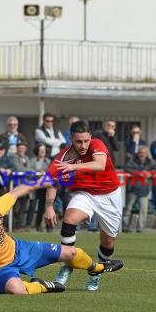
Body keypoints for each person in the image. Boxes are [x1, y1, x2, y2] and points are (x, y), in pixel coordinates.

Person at [43, 120, 124, 291]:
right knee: (69, 218)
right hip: (85, 194)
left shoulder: (97, 144)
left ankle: (96, 273)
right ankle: (67, 265)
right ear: (71, 138)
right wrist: (49, 206)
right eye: (79, 141)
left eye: (86, 141)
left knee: (108, 243)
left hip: (110, 195)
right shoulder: (63, 157)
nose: (83, 145)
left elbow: (99, 165)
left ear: (90, 138)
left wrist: (73, 167)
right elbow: (51, 181)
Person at [122, 146, 156, 233]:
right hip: (133, 188)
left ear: (147, 154)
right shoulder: (132, 160)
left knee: (143, 210)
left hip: (144, 189)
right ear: (138, 153)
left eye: (144, 153)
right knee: (128, 209)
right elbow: (127, 169)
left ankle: (141, 228)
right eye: (141, 153)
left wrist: (150, 173)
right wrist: (139, 174)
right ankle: (125, 226)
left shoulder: (151, 162)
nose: (142, 154)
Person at [28, 143, 51, 231]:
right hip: (35, 186)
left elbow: (51, 171)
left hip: (46, 186)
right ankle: (35, 225)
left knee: (46, 206)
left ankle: (48, 226)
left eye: (43, 150)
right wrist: (39, 171)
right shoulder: (33, 160)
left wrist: (45, 172)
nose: (42, 152)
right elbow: (29, 170)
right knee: (35, 206)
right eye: (40, 150)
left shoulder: (48, 161)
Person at [9, 141, 32, 229]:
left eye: (23, 148)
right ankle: (13, 226)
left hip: (26, 185)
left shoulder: (27, 158)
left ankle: (19, 226)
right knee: (15, 207)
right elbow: (18, 167)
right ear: (17, 148)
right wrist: (29, 171)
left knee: (23, 207)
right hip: (16, 185)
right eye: (20, 148)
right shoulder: (13, 157)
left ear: (25, 149)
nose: (21, 149)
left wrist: (29, 170)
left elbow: (28, 168)